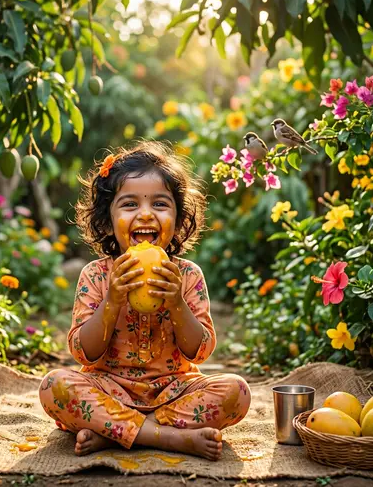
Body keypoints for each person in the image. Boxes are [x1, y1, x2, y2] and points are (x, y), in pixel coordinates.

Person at [39, 141, 251, 461]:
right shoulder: (96, 275)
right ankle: (168, 438)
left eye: (160, 204)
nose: (146, 214)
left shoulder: (187, 276)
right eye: (130, 204)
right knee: (54, 385)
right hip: (108, 389)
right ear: (108, 219)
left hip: (174, 394)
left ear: (178, 218)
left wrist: (177, 302)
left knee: (237, 391)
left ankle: (117, 434)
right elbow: (83, 351)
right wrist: (112, 299)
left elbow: (201, 351)